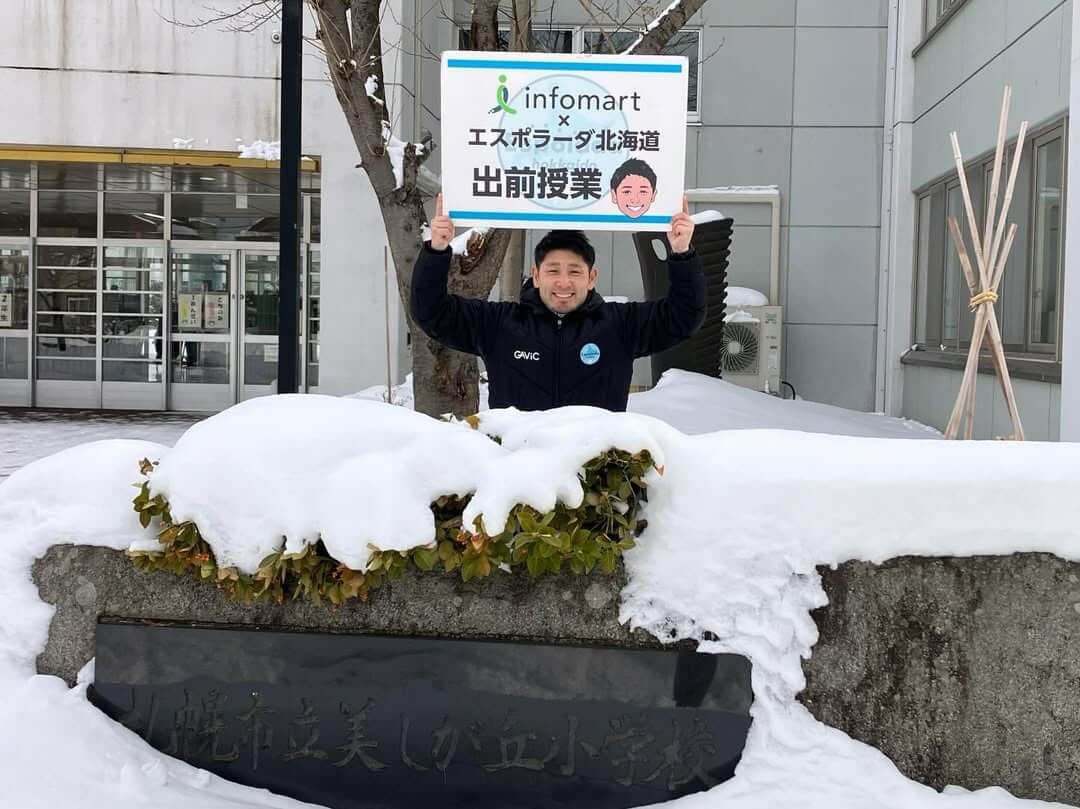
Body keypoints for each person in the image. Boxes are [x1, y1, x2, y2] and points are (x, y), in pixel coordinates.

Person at [410, 193, 705, 411]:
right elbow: (432, 312)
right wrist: (437, 251)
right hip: (518, 476)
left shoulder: (619, 325)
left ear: (591, 277)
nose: (563, 282)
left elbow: (683, 317)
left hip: (595, 479)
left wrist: (681, 253)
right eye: (553, 271)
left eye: (574, 271)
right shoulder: (500, 324)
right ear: (536, 276)